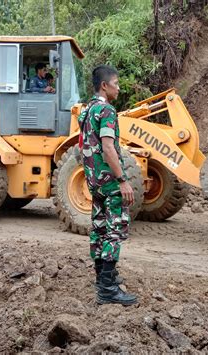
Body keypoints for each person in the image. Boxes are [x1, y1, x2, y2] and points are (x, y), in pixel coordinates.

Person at [78, 65, 137, 306]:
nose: (119, 88)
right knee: (114, 230)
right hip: (110, 181)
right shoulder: (106, 110)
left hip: (94, 180)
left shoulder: (87, 109)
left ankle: (104, 276)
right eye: (116, 83)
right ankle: (108, 290)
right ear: (105, 86)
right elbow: (108, 147)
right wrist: (122, 180)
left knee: (99, 227)